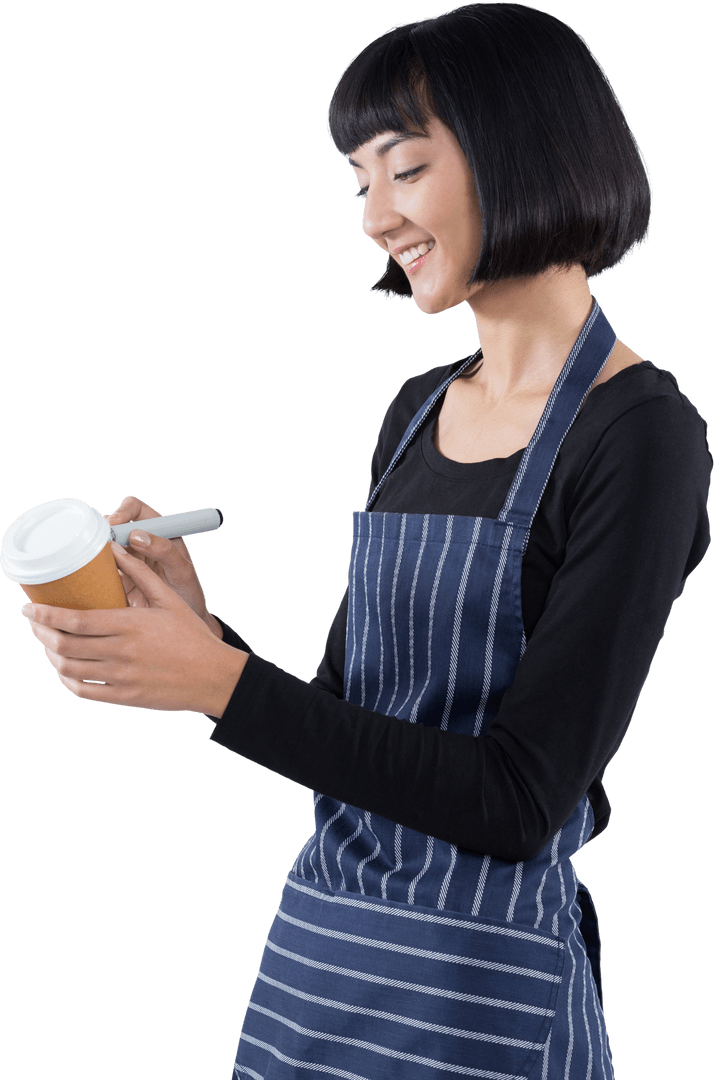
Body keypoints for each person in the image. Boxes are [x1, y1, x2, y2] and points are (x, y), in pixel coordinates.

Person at [21, 4, 711, 1078]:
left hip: (477, 988)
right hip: (328, 954)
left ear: (521, 144)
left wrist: (216, 683)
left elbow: (520, 799)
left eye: (404, 167)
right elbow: (352, 733)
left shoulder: (643, 436)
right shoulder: (416, 412)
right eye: (358, 183)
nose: (373, 216)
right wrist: (202, 634)